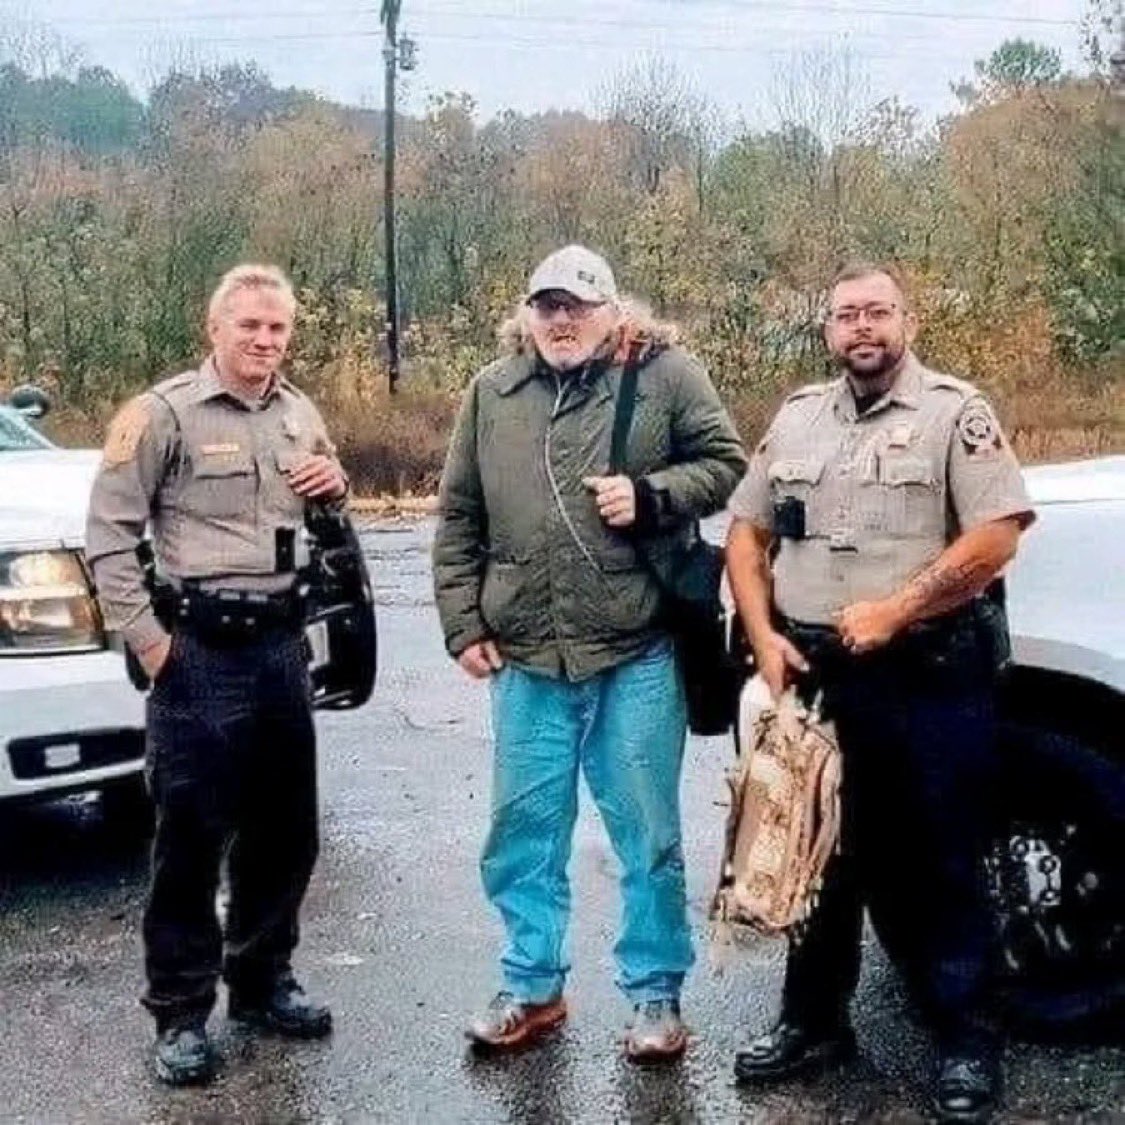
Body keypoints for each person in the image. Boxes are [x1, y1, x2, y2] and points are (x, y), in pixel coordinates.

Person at [725, 262, 1035, 1123]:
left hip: (928, 673)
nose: (861, 327)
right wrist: (763, 637)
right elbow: (745, 535)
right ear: (827, 330)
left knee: (937, 860)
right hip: (819, 676)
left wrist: (898, 609)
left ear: (906, 319)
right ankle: (813, 1022)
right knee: (815, 853)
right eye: (845, 315)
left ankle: (967, 1041)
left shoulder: (952, 413)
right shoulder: (795, 418)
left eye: (877, 312)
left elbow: (996, 536)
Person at [433, 245, 747, 1061]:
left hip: (635, 651)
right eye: (545, 306)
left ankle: (655, 996)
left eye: (575, 304)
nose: (560, 320)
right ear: (526, 314)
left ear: (611, 310)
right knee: (521, 831)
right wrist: (462, 622)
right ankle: (531, 987)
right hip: (527, 657)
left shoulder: (665, 374)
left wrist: (652, 495)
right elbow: (458, 515)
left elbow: (727, 465)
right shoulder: (490, 392)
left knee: (647, 835)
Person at [86, 264, 348, 1085]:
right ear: (216, 329)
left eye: (277, 329)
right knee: (191, 839)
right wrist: (153, 645)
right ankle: (180, 1012)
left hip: (279, 648)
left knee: (285, 830)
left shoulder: (299, 412)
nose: (265, 342)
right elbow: (107, 539)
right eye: (250, 328)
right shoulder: (162, 414)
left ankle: (263, 979)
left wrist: (336, 488)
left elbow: (324, 513)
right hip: (198, 652)